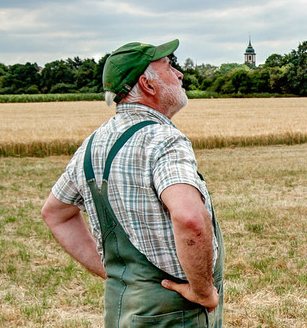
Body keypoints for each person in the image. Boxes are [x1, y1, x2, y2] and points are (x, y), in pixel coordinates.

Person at [41, 39, 225, 327]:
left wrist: (117, 274)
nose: (179, 74)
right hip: (175, 314)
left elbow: (55, 213)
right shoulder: (163, 140)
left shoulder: (92, 145)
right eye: (169, 66)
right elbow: (190, 219)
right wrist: (202, 292)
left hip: (122, 309)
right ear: (148, 85)